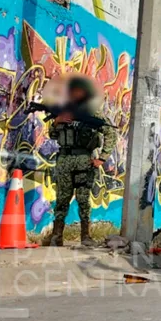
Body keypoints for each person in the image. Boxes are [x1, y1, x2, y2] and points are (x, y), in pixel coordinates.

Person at [48, 76, 116, 247]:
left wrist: (102, 158)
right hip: (64, 160)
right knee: (62, 198)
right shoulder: (62, 111)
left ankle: (85, 236)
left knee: (83, 199)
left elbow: (110, 133)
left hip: (84, 161)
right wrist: (56, 122)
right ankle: (57, 236)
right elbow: (52, 135)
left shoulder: (92, 113)